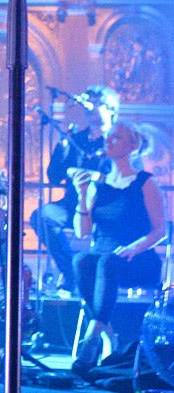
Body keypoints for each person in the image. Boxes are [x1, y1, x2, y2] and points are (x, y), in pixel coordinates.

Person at [70, 119, 166, 375]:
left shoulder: (144, 182)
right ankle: (106, 335)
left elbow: (160, 230)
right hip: (106, 258)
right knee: (81, 260)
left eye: (116, 137)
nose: (108, 141)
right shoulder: (98, 185)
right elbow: (82, 232)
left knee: (107, 262)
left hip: (138, 259)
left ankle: (92, 335)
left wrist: (135, 247)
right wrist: (81, 195)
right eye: (108, 136)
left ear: (133, 145)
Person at [30, 85, 119, 296]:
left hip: (104, 207)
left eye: (96, 102)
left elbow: (125, 179)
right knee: (42, 216)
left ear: (110, 109)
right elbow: (54, 176)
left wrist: (95, 177)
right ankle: (73, 273)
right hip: (74, 205)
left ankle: (98, 280)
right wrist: (62, 147)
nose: (90, 107)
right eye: (89, 102)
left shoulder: (119, 140)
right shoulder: (76, 139)